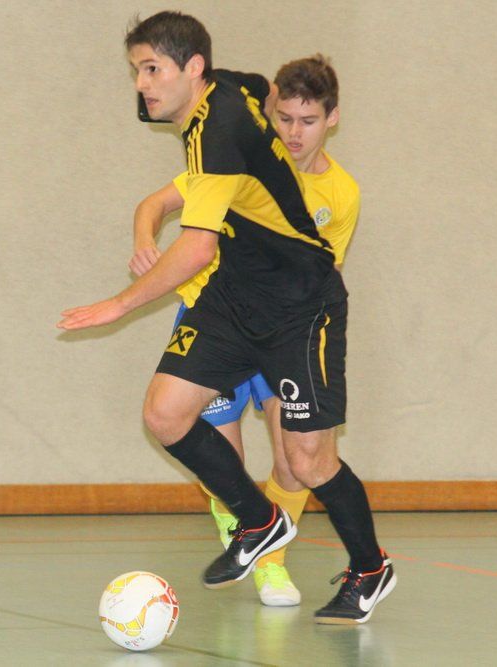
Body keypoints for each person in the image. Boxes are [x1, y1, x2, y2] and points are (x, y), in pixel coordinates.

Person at [58, 11, 395, 624]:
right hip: (233, 297)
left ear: (192, 69)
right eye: (136, 71)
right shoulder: (224, 92)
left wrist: (119, 304)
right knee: (165, 414)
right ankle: (259, 520)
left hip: (300, 306)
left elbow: (195, 249)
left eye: (152, 69)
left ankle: (370, 568)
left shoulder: (217, 133)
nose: (142, 84)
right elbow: (258, 84)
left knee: (307, 461)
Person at [129, 54, 361, 609]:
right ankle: (250, 535)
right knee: (217, 458)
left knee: (295, 460)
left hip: (282, 324)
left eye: (308, 121)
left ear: (331, 119)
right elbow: (155, 203)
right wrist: (145, 241)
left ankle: (270, 559)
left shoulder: (341, 194)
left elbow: (318, 272)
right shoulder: (240, 153)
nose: (294, 132)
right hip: (217, 316)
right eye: (284, 118)